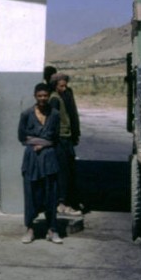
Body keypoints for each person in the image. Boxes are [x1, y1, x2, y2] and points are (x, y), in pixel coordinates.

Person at [18, 82, 63, 244]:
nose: (43, 98)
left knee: (51, 194)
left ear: (49, 96)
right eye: (40, 96)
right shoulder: (26, 114)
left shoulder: (55, 114)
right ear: (35, 96)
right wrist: (41, 142)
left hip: (49, 159)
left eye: (45, 96)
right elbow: (22, 137)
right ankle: (30, 229)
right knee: (31, 193)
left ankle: (52, 230)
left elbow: (56, 138)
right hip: (32, 158)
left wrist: (43, 144)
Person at [49, 73, 82, 216]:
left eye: (65, 85)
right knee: (63, 172)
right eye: (61, 86)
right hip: (61, 139)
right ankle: (62, 203)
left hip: (66, 138)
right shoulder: (55, 99)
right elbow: (53, 121)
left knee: (68, 171)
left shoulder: (63, 96)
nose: (65, 88)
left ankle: (66, 201)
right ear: (55, 86)